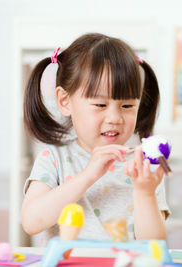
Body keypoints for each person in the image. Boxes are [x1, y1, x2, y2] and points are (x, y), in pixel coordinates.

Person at [21, 33, 170, 242]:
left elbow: (154, 244)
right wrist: (88, 175)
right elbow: (31, 222)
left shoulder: (144, 166)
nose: (115, 118)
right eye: (100, 105)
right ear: (65, 101)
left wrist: (145, 193)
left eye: (127, 106)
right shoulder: (53, 159)